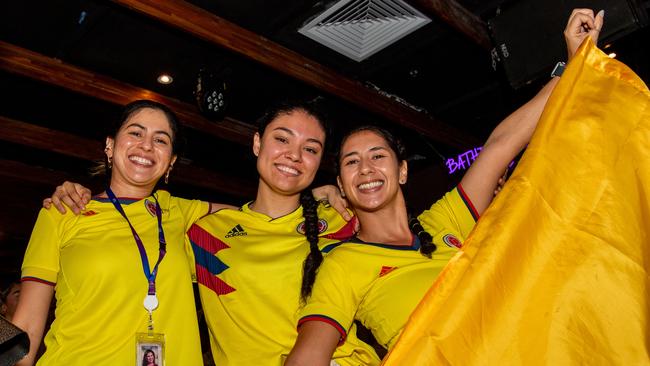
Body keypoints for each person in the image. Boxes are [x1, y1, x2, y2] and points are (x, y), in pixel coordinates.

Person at [285, 9, 605, 365]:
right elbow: (306, 360)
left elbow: (501, 144)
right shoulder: (343, 264)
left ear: (402, 171)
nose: (366, 169)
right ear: (342, 187)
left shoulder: (446, 220)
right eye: (351, 162)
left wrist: (570, 65)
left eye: (378, 156)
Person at [43, 99, 378, 366]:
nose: (294, 154)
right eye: (281, 138)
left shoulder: (341, 220)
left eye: (311, 148)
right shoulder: (203, 233)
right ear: (258, 143)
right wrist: (78, 200)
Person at [13, 100, 218, 365]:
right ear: (110, 145)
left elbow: (261, 218)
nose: (146, 145)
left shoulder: (181, 213)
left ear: (171, 162)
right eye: (135, 132)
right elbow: (27, 324)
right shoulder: (61, 212)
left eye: (161, 140)